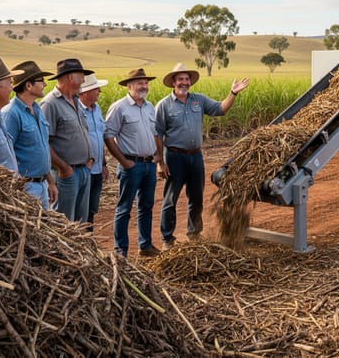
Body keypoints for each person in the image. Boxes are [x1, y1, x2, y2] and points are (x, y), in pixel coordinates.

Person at [154, 63, 249, 250]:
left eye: (187, 79)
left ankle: (194, 234)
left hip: (196, 156)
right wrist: (160, 162)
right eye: (180, 79)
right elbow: (157, 134)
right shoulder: (164, 105)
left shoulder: (198, 100)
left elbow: (221, 109)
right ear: (173, 82)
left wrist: (233, 93)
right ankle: (167, 239)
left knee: (196, 197)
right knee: (170, 199)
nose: (184, 82)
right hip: (174, 157)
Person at [104, 68, 162, 258]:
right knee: (124, 208)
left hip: (149, 164)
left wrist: (159, 156)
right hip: (132, 165)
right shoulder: (119, 107)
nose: (144, 86)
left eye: (146, 83)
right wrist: (123, 161)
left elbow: (155, 134)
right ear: (129, 86)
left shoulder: (149, 106)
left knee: (146, 206)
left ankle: (145, 245)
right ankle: (120, 251)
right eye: (139, 83)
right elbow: (108, 136)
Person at [40, 58, 94, 222]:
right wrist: (63, 167)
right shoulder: (50, 104)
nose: (84, 79)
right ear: (70, 77)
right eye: (81, 75)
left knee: (81, 222)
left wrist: (89, 160)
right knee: (65, 223)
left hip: (83, 170)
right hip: (66, 174)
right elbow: (44, 141)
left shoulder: (76, 100)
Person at [1, 61, 58, 210]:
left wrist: (50, 182)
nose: (45, 84)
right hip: (25, 187)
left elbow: (43, 149)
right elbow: (7, 154)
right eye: (41, 81)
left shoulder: (37, 110)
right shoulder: (11, 114)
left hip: (41, 184)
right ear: (28, 85)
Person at [79, 73, 108, 232]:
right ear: (84, 92)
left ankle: (88, 242)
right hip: (84, 170)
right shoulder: (76, 109)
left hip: (96, 168)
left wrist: (103, 164)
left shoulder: (97, 110)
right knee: (80, 211)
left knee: (91, 209)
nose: (99, 91)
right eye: (96, 88)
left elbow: (100, 137)